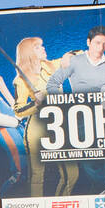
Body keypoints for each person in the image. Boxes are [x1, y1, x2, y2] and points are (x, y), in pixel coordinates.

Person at [43, 26, 105, 191]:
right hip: (81, 119)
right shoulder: (74, 63)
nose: (100, 47)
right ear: (88, 42)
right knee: (89, 163)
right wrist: (64, 105)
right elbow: (52, 83)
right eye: (97, 43)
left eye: (104, 44)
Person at [12, 36, 79, 197]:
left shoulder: (52, 66)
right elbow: (18, 110)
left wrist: (70, 55)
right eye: (37, 47)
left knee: (72, 173)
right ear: (29, 52)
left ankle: (61, 204)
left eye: (42, 45)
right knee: (37, 175)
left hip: (58, 126)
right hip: (36, 129)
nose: (43, 48)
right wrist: (35, 104)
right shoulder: (21, 80)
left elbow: (79, 53)